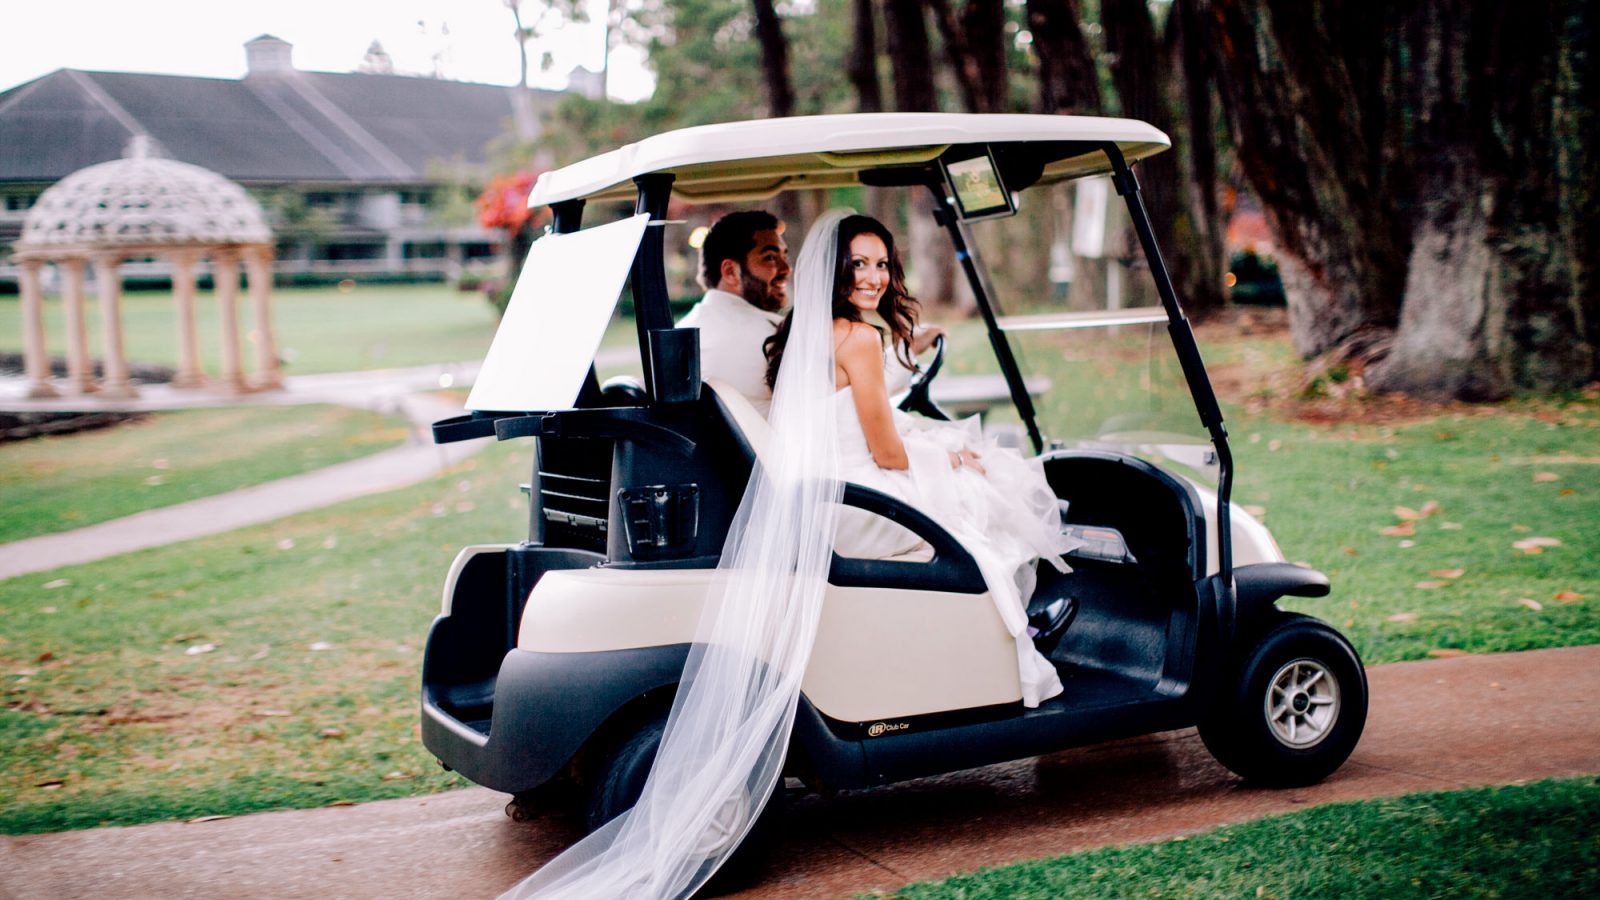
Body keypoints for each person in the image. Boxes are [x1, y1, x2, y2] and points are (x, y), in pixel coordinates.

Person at [764, 213, 1071, 708]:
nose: (875, 277)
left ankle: (1012, 627)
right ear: (834, 268)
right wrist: (951, 460)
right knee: (990, 487)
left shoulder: (805, 332)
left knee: (972, 471)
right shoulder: (859, 338)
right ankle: (1016, 635)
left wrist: (906, 346)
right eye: (859, 263)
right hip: (861, 504)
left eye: (882, 264)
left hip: (823, 497)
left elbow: (847, 408)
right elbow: (887, 453)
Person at [676, 210, 792, 415]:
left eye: (784, 256)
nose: (786, 269)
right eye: (770, 257)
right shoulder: (775, 336)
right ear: (730, 271)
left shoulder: (680, 332)